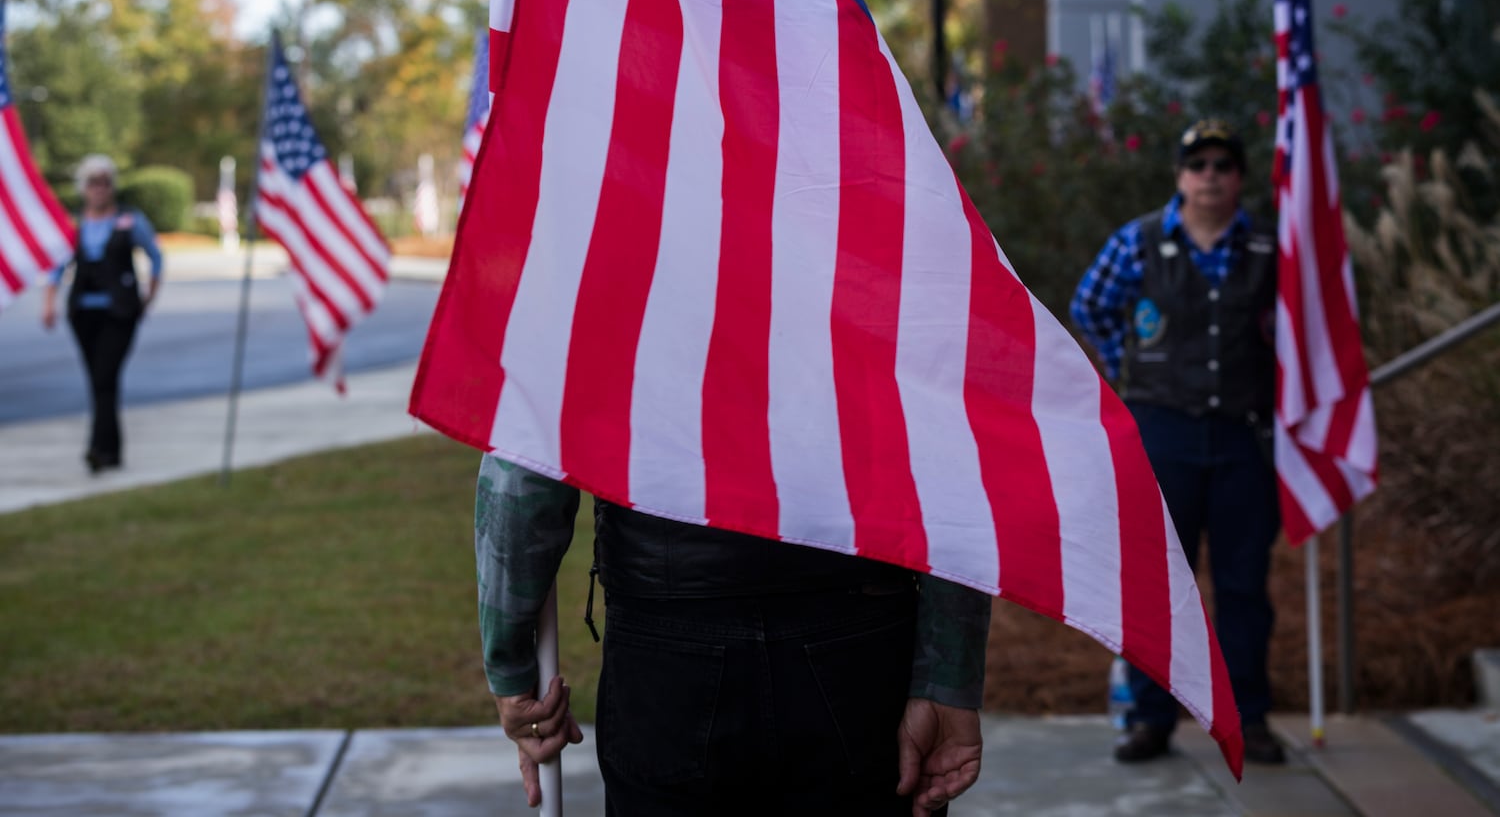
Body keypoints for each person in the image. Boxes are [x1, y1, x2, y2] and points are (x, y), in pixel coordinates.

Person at [476, 455, 993, 815]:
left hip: (669, 654)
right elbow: (949, 444)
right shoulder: (888, 290)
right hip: (857, 643)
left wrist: (512, 673)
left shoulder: (597, 292)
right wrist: (948, 675)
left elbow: (523, 471)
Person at [1069, 119, 1286, 766]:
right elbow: (1091, 306)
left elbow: (1304, 331)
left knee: (1244, 586)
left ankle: (1251, 718)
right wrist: (1127, 368)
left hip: (1244, 438)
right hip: (1162, 433)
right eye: (1198, 165)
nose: (1210, 176)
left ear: (1239, 177)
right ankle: (1149, 715)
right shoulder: (1138, 243)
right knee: (1158, 583)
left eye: (1223, 165)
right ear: (1179, 176)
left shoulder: (1270, 249)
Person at [41, 154, 163, 473]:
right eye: (93, 183)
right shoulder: (75, 225)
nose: (99, 189)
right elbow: (57, 267)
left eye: (105, 183)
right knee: (99, 381)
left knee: (104, 376)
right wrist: (49, 302)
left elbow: (156, 258)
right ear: (84, 188)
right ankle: (112, 451)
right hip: (83, 312)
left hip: (119, 312)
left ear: (112, 187)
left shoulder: (129, 220)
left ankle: (97, 448)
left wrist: (149, 297)